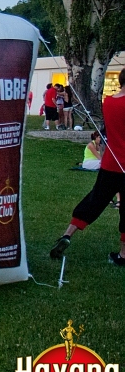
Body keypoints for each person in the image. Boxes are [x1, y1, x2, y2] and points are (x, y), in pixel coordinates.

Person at [49, 68, 125, 267]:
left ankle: (67, 234)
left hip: (111, 163)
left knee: (94, 200)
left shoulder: (109, 102)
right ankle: (123, 254)